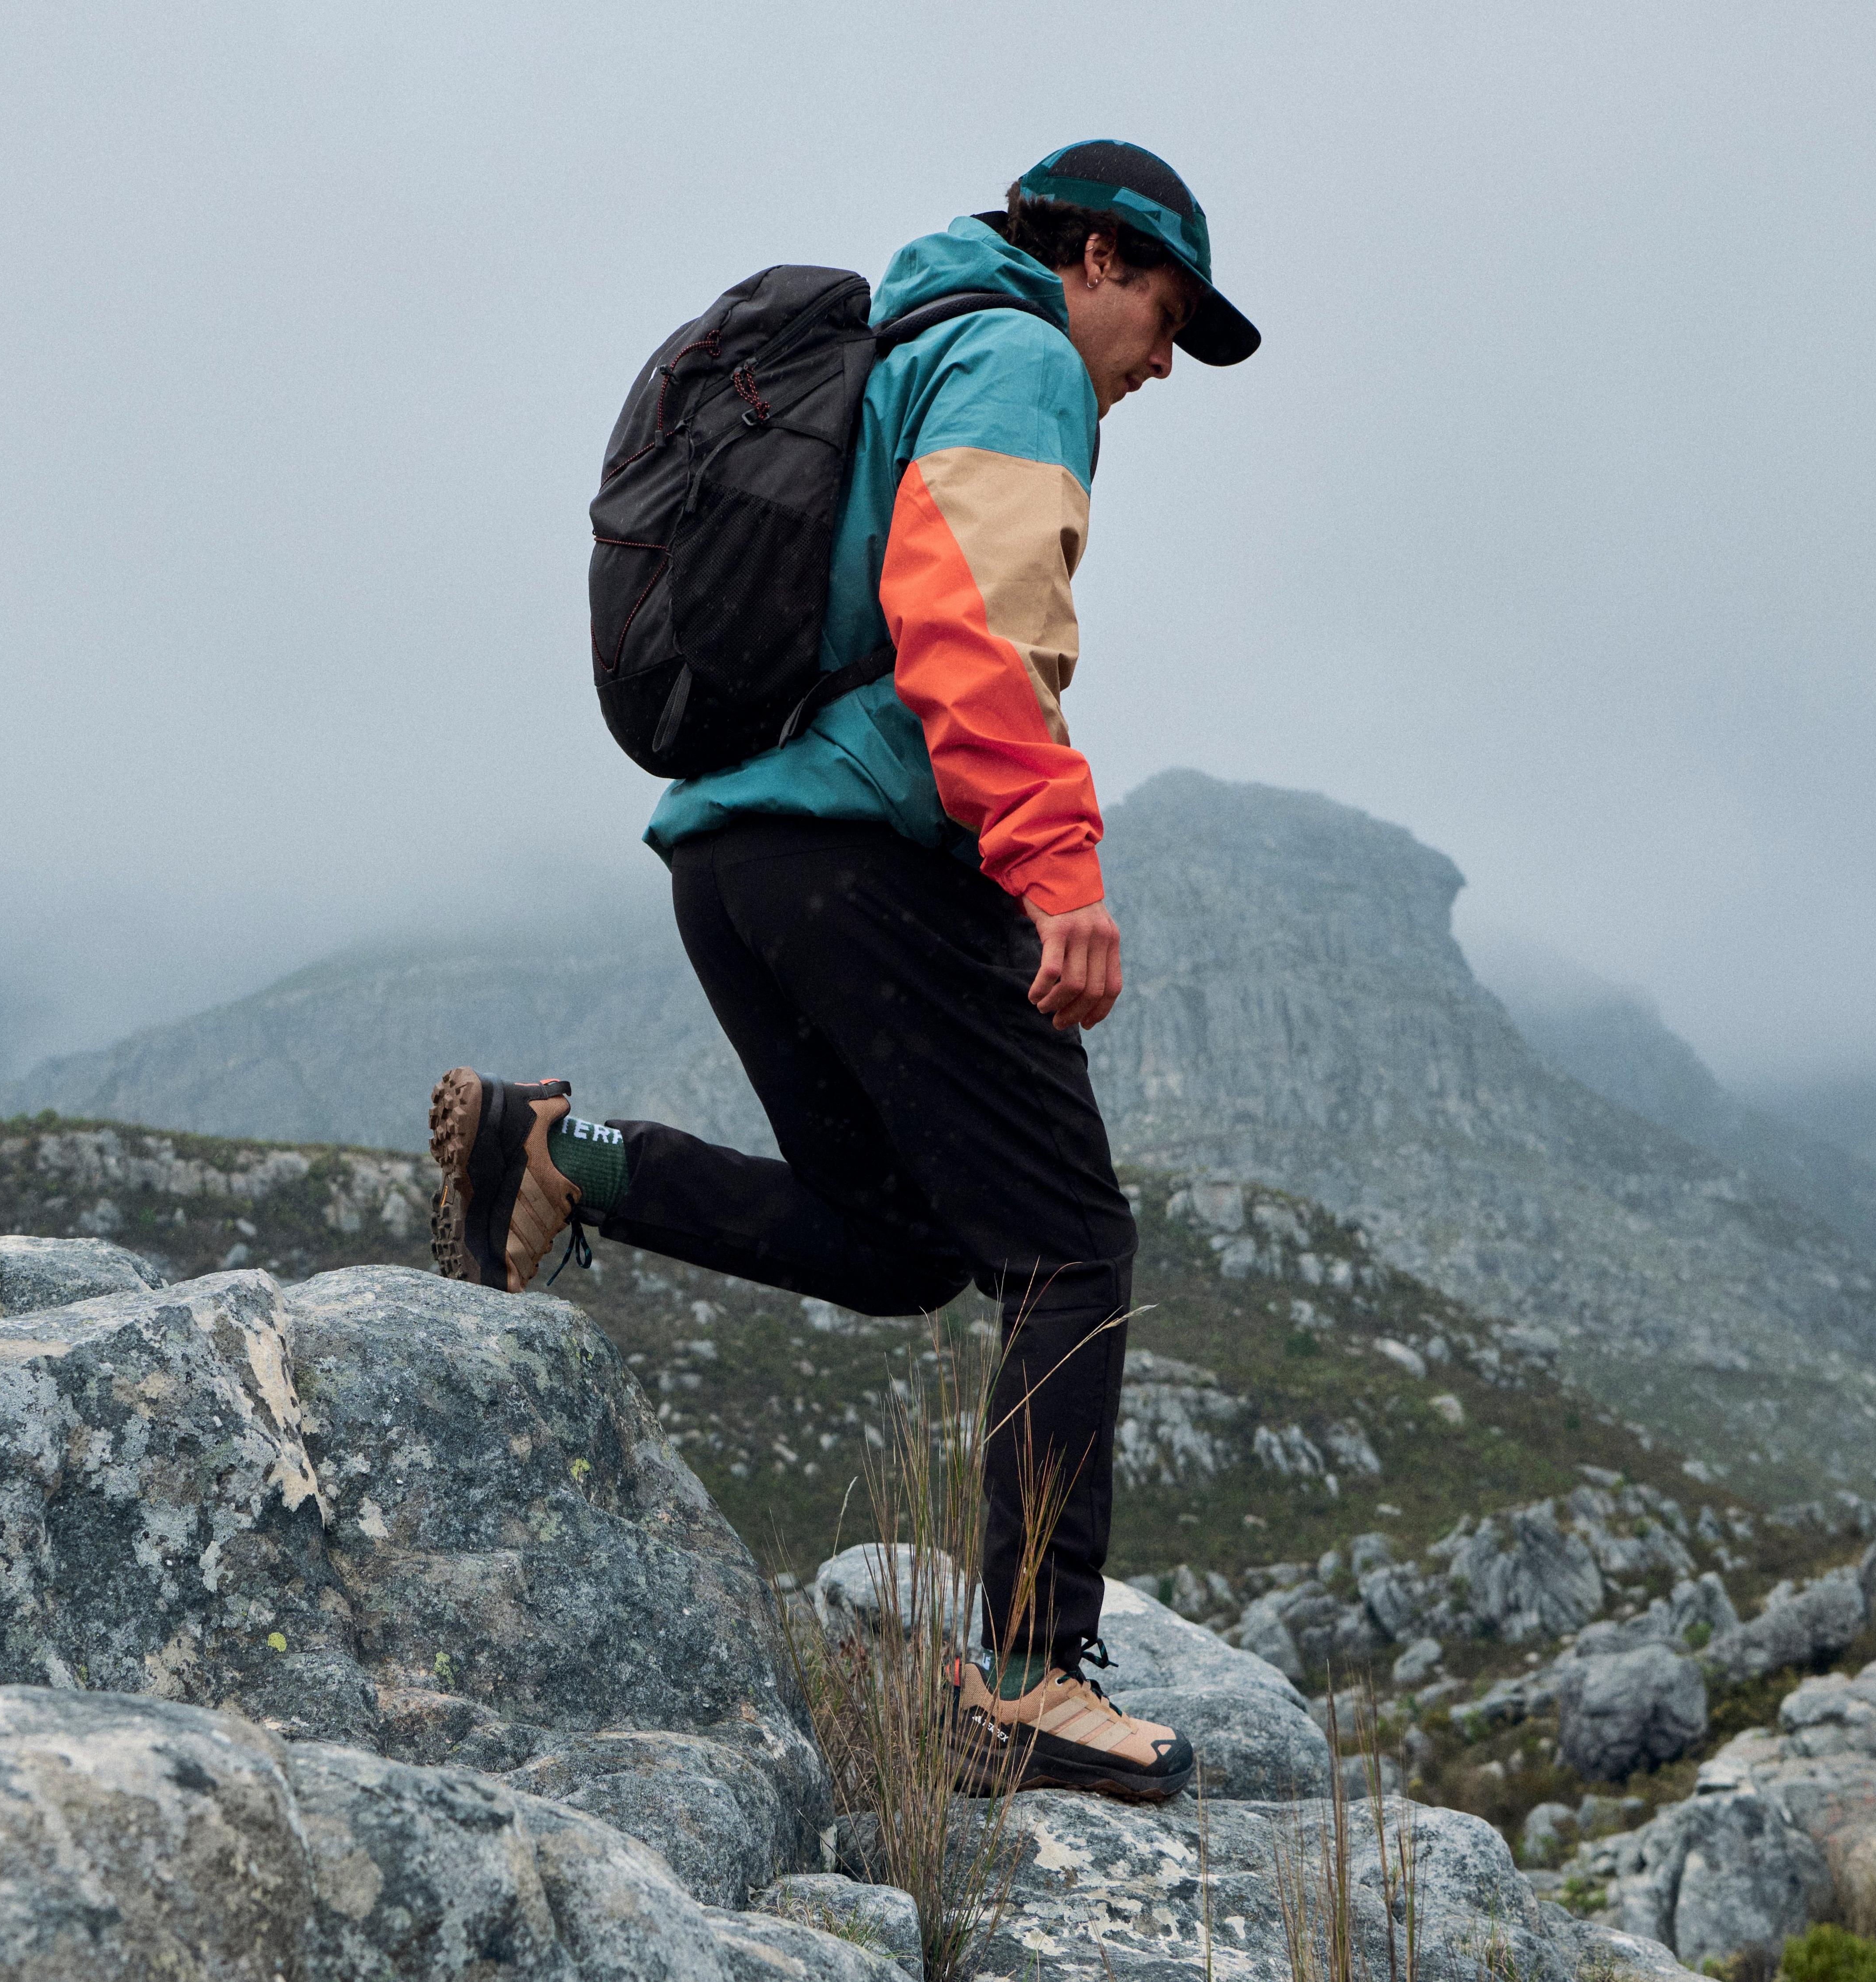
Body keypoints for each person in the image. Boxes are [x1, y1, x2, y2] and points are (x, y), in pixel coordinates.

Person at [429, 141, 1255, 1805]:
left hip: (735, 865)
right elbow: (966, 620)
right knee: (1071, 1246)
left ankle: (555, 1155)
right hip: (869, 856)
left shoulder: (905, 344)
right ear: (1096, 256)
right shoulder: (1019, 354)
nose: (1167, 357)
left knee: (898, 1248)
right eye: (1167, 312)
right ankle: (1025, 1673)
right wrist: (1056, 868)